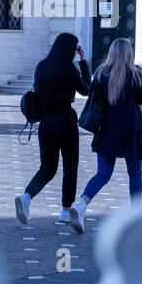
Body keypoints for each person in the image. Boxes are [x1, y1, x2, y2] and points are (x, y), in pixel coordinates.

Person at [70, 38, 142, 234]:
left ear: (112, 53)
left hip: (107, 130)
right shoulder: (135, 75)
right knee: (135, 175)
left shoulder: (101, 75)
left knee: (103, 174)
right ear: (128, 53)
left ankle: (81, 205)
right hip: (132, 131)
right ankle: (137, 217)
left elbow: (92, 97)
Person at [14, 33, 90, 227]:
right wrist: (83, 62)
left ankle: (27, 196)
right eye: (75, 49)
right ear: (70, 49)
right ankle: (65, 210)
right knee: (70, 166)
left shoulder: (42, 66)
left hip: (45, 122)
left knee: (47, 167)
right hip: (65, 119)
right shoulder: (69, 69)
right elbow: (86, 90)